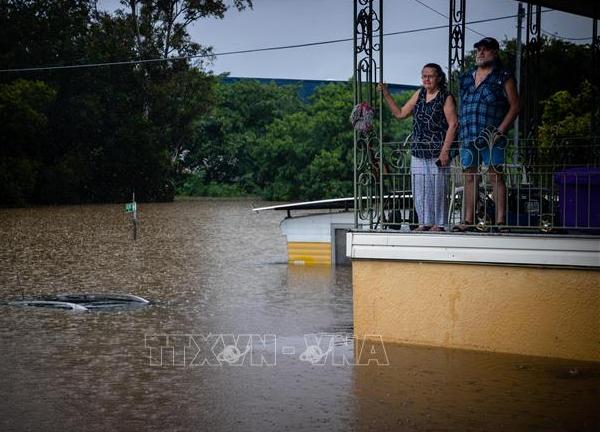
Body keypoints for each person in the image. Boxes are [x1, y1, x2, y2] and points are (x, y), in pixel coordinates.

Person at [379, 63, 458, 231]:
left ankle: (440, 224)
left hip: (438, 151)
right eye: (424, 76)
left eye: (430, 76)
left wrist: (445, 151)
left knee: (438, 188)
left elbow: (453, 124)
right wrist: (386, 94)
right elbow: (400, 114)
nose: (426, 79)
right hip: (418, 150)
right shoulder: (420, 94)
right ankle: (424, 222)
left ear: (439, 77)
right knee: (420, 189)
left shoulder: (445, 96)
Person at [454, 37, 520, 232]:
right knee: (469, 177)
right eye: (478, 50)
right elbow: (462, 105)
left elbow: (515, 106)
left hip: (492, 136)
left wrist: (501, 130)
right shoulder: (466, 77)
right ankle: (468, 220)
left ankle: (500, 221)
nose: (481, 53)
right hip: (468, 135)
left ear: (495, 52)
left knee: (495, 177)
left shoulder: (503, 76)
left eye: (486, 50)